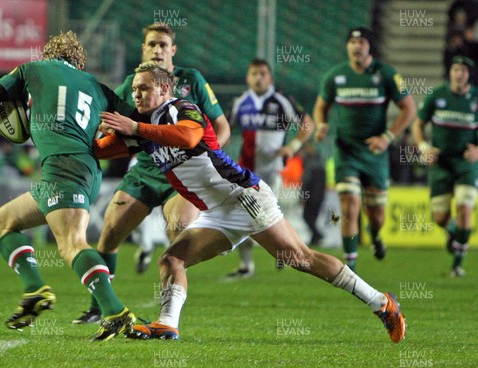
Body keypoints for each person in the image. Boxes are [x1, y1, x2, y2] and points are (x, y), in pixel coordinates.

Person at [94, 62, 406, 343]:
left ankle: (381, 302)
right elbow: (104, 150)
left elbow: (189, 137)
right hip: (218, 210)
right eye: (134, 88)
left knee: (301, 259)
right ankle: (168, 325)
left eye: (144, 87)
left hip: (244, 197)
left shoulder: (180, 108)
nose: (136, 94)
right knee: (171, 260)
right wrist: (94, 134)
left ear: (163, 88)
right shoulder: (146, 128)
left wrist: (134, 127)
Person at [0, 31, 139, 340]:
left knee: (72, 244)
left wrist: (5, 126)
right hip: (79, 170)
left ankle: (114, 311)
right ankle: (34, 289)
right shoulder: (98, 88)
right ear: (79, 60)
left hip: (64, 167)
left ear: (49, 54)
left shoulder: (33, 69)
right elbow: (137, 129)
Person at [73, 22, 230, 324]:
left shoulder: (191, 80)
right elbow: (105, 118)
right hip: (146, 170)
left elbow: (222, 126)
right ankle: (99, 306)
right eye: (151, 45)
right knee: (110, 231)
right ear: (143, 49)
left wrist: (209, 155)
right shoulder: (134, 82)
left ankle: (167, 315)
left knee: (179, 229)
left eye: (162, 45)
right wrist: (100, 130)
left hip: (182, 173)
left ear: (173, 50)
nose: (157, 50)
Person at [313, 27, 416, 271]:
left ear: (370, 46)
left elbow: (409, 109)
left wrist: (387, 137)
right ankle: (350, 268)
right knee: (349, 206)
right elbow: (320, 106)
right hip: (346, 152)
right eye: (352, 41)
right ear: (347, 46)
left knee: (377, 215)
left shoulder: (386, 74)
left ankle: (375, 235)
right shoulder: (335, 76)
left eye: (361, 42)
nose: (356, 46)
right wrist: (321, 124)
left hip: (375, 154)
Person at [226, 58, 313, 279]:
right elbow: (225, 128)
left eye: (262, 73)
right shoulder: (241, 102)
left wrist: (292, 146)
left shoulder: (282, 100)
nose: (258, 78)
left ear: (270, 78)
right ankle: (247, 265)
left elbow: (307, 124)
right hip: (246, 171)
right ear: (248, 77)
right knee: (244, 214)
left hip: (274, 169)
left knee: (272, 215)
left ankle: (284, 252)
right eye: (254, 73)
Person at [412, 55, 478, 277]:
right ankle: (453, 233)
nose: (459, 74)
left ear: (469, 75)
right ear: (450, 72)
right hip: (440, 164)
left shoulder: (475, 98)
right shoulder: (437, 95)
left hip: (466, 165)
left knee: (464, 211)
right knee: (440, 218)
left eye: (464, 70)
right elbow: (418, 124)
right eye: (456, 69)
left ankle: (457, 265)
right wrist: (424, 147)